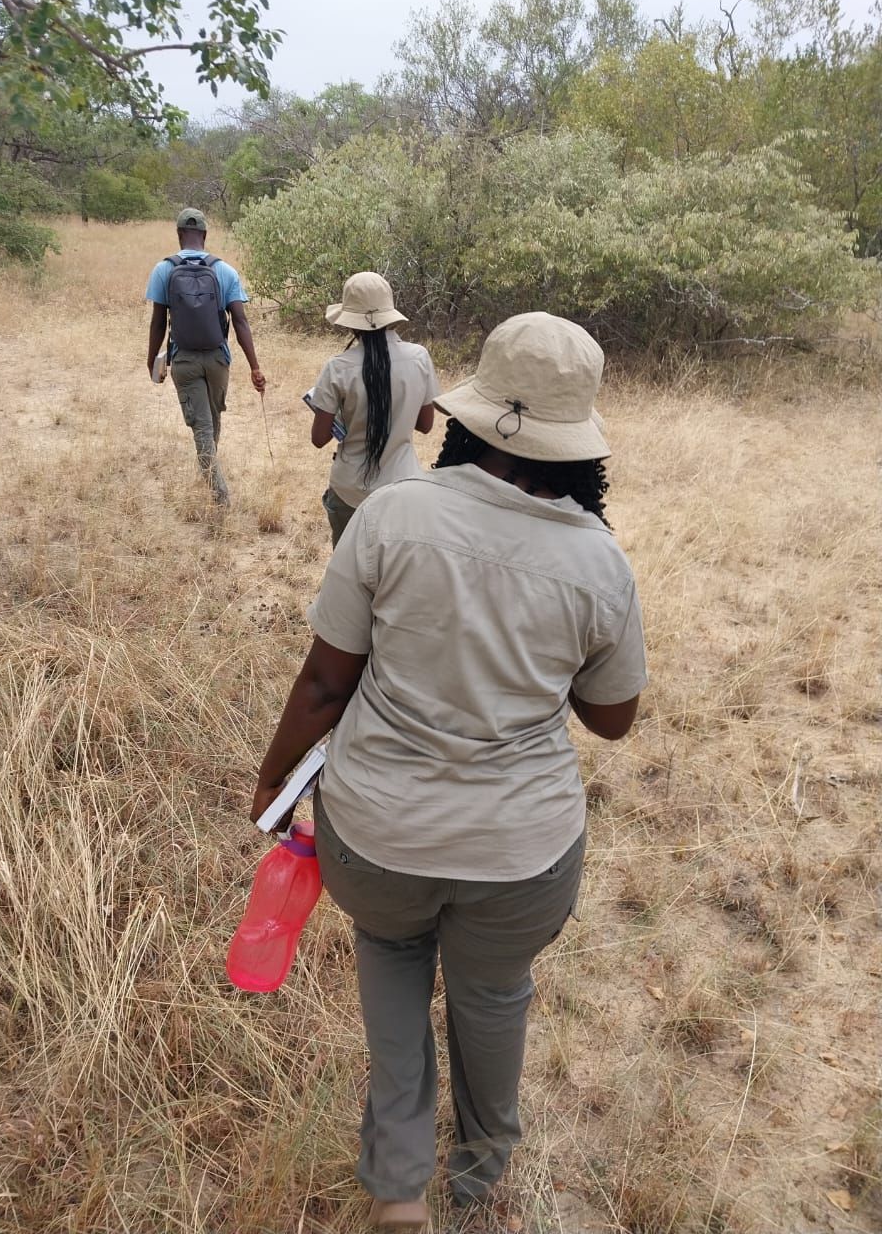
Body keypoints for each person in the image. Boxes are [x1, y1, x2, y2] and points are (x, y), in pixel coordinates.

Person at [250, 313, 647, 1230]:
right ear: (580, 446)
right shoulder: (598, 562)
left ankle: (398, 1185)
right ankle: (480, 1170)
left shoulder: (394, 514)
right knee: (494, 993)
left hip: (378, 834)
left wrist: (273, 785)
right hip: (521, 852)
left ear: (465, 418)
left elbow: (323, 682)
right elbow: (614, 719)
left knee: (390, 957)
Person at [145, 207, 267, 506]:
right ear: (205, 235)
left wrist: (152, 361)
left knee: (202, 426)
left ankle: (218, 493)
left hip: (184, 360)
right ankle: (215, 483)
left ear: (178, 234)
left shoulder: (164, 269)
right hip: (218, 360)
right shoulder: (224, 270)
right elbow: (240, 321)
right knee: (210, 422)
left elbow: (159, 322)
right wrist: (254, 366)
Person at [309, 271, 439, 547]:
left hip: (350, 490)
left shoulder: (339, 367)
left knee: (348, 577)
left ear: (350, 322)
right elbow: (425, 424)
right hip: (403, 486)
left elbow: (319, 439)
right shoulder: (419, 358)